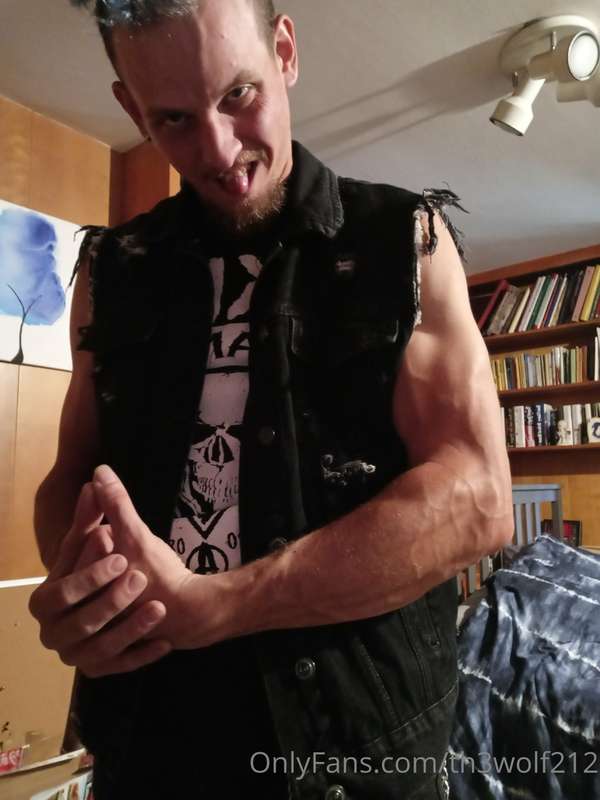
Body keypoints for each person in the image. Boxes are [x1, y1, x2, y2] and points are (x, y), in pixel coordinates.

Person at [29, 1, 514, 798]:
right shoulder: (111, 270)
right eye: (174, 119)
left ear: (284, 51)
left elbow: (478, 501)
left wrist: (220, 604)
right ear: (131, 109)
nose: (220, 151)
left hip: (357, 764)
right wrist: (83, 583)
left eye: (238, 95)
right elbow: (71, 476)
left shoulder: (403, 241)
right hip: (147, 750)